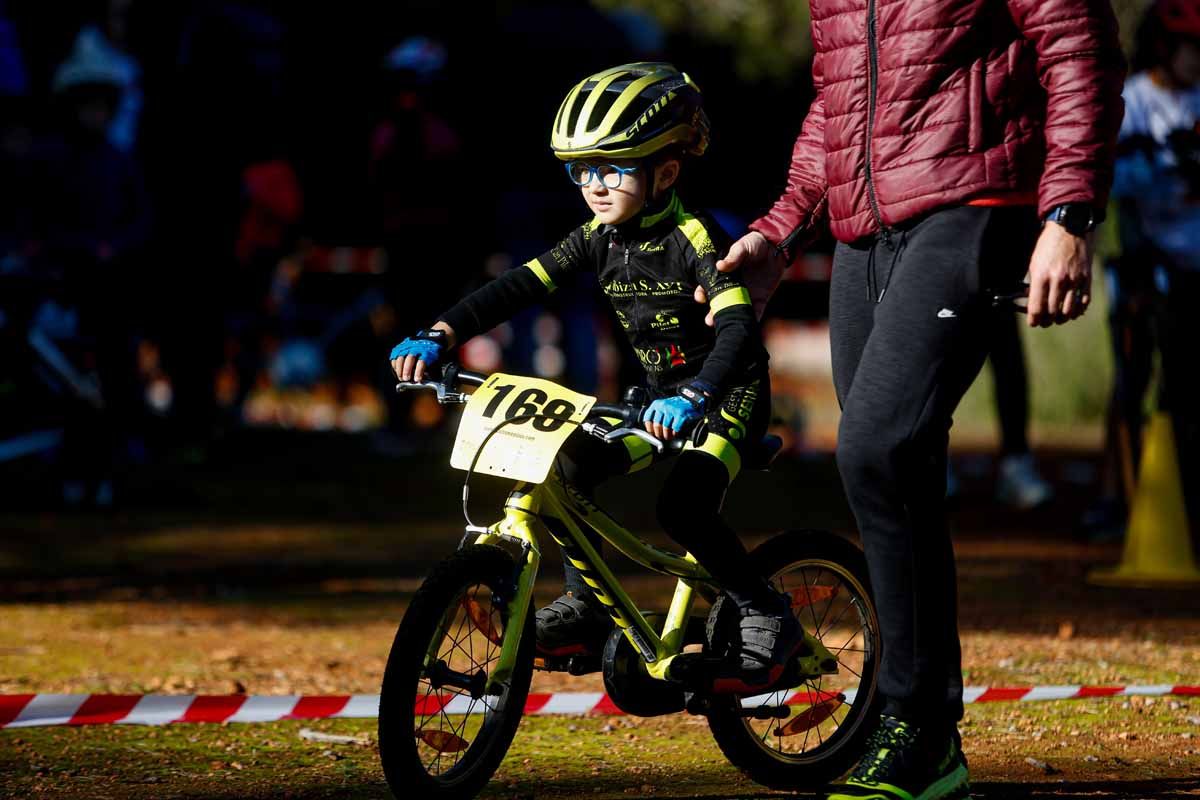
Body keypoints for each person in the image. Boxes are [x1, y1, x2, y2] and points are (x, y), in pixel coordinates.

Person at [700, 2, 1125, 797]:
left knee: (878, 446)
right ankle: (927, 732)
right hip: (864, 229)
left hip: (973, 202)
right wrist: (782, 230)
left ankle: (916, 722)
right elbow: (837, 100)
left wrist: (1068, 212)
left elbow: (1078, 47)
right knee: (891, 472)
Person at [390, 62, 800, 691]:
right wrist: (441, 332)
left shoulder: (695, 237)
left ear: (664, 172)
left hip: (728, 393)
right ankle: (584, 605)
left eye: (610, 168)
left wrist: (696, 395)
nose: (593, 186)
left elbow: (740, 335)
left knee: (683, 506)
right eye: (581, 171)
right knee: (568, 463)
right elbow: (515, 288)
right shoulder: (597, 237)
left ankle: (766, 613)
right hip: (659, 398)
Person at [1091, 0, 1200, 537]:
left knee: (1186, 387)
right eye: (1190, 48)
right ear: (1163, 45)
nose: (1196, 59)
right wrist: (1164, 163)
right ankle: (1115, 498)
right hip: (1140, 264)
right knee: (1130, 383)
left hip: (1192, 269)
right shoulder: (1132, 101)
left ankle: (1183, 501)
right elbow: (1114, 187)